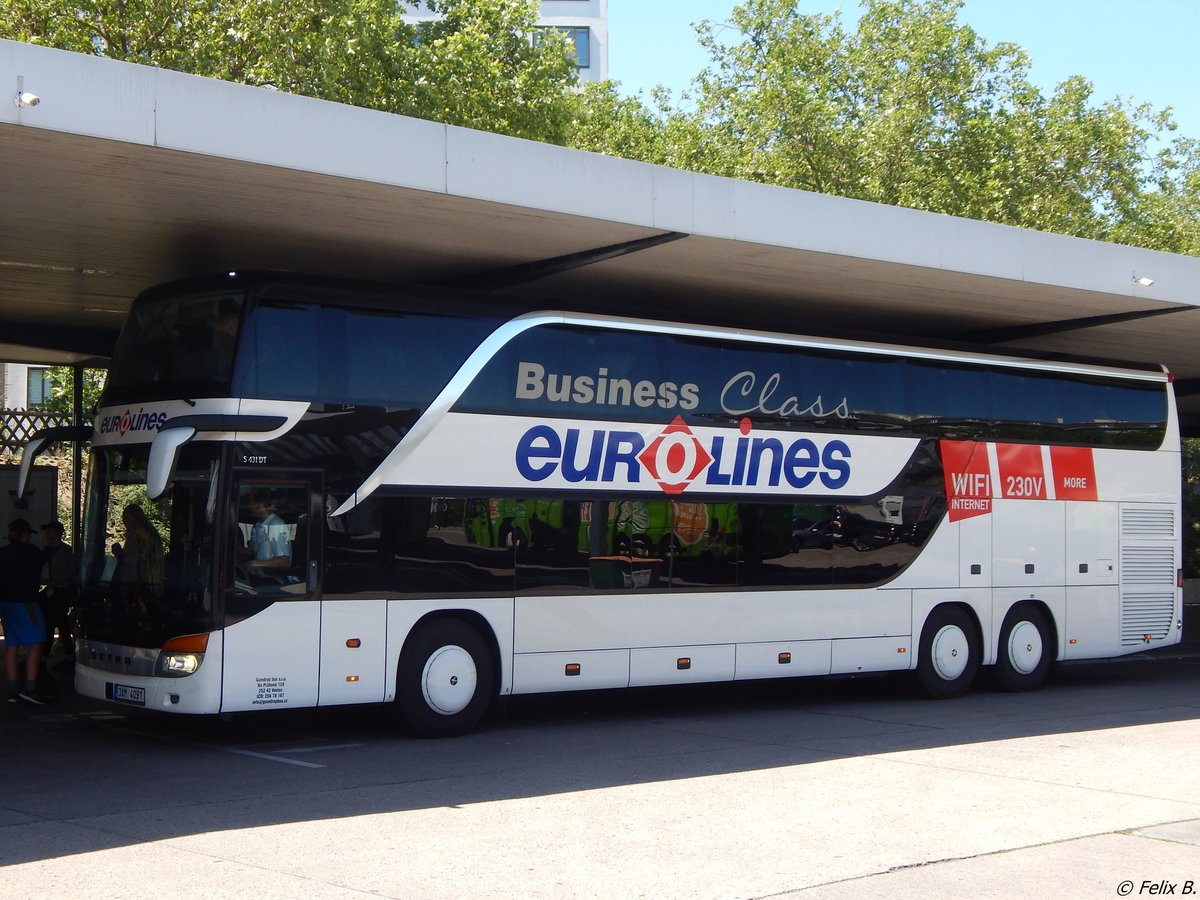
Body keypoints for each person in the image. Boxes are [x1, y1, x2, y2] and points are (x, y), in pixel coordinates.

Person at [0, 519, 52, 704]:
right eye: (28, 534)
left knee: (11, 646)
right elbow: (44, 557)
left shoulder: (3, 553)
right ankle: (30, 687)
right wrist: (47, 544)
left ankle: (12, 689)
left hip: (5, 604)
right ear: (23, 535)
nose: (30, 536)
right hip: (25, 603)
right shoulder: (30, 551)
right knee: (37, 642)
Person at [40, 521, 78, 666]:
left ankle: (53, 654)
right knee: (54, 623)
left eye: (49, 531)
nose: (47, 534)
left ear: (56, 533)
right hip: (52, 589)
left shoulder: (66, 550)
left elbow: (72, 569)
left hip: (61, 590)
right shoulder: (46, 550)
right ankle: (66, 654)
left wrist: (55, 581)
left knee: (57, 623)